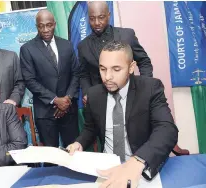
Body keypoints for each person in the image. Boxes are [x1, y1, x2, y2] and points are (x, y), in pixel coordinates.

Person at [67, 41, 178, 188]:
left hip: (139, 165)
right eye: (103, 69)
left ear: (131, 67)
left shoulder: (150, 88)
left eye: (116, 69)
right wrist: (79, 143)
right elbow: (90, 128)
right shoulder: (94, 95)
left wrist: (138, 160)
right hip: (106, 168)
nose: (107, 77)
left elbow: (167, 129)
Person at [20, 10, 80, 148]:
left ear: (55, 24)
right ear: (37, 26)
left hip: (69, 110)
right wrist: (55, 100)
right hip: (45, 112)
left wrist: (67, 99)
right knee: (50, 158)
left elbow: (76, 73)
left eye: (49, 25)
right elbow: (30, 80)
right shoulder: (27, 49)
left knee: (74, 154)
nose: (46, 30)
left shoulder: (67, 45)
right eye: (41, 26)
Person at [79, 1, 153, 105]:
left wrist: (144, 87)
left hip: (130, 99)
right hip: (100, 103)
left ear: (108, 15)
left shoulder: (127, 35)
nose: (96, 22)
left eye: (101, 17)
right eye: (92, 18)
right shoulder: (83, 46)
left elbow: (144, 61)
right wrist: (87, 93)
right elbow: (84, 74)